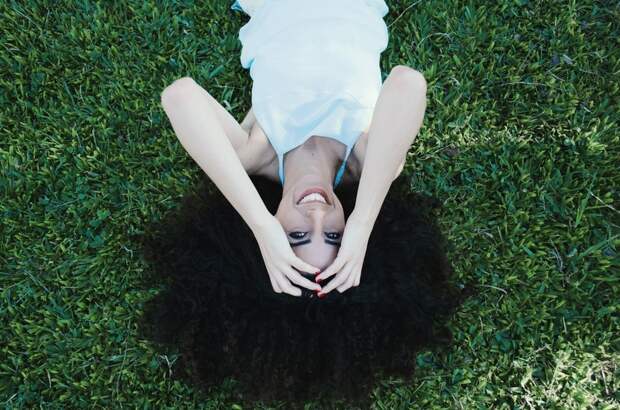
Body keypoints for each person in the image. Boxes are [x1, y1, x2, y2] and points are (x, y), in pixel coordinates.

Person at [159, 0, 428, 298]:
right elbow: (409, 84)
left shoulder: (255, 155)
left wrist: (260, 225)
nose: (317, 215)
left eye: (297, 235)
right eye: (334, 235)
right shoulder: (367, 162)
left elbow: (179, 96)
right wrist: (363, 222)